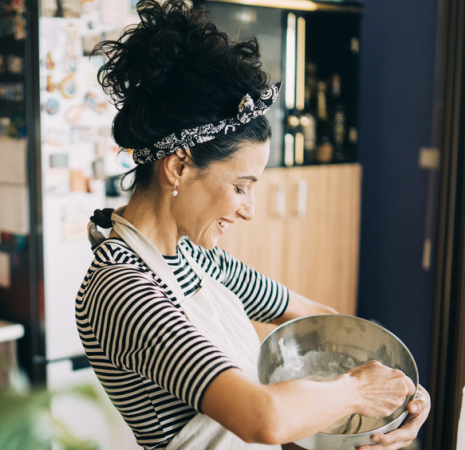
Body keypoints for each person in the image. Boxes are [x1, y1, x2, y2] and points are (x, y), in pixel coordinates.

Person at [77, 1, 431, 449]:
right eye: (241, 186)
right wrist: (359, 391)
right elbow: (261, 418)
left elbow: (321, 322)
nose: (249, 209)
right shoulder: (122, 289)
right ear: (179, 167)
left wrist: (403, 391)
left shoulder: (200, 260)